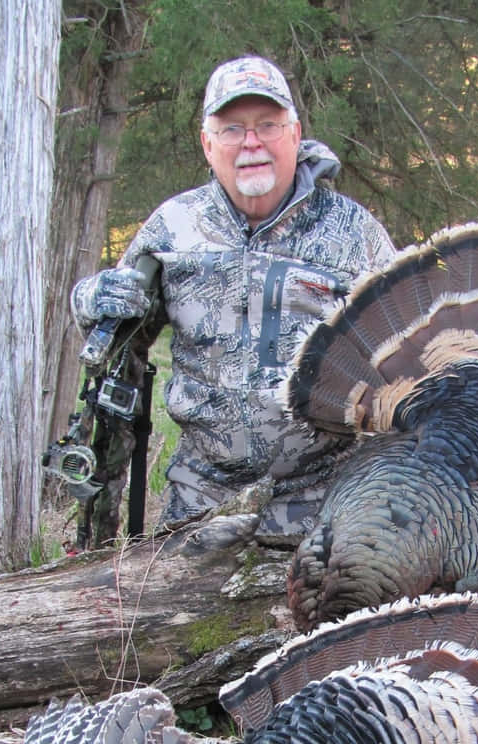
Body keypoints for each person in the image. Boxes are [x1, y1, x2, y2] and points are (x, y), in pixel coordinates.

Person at [71, 55, 396, 546]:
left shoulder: (353, 232)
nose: (251, 143)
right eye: (231, 129)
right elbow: (117, 340)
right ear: (207, 142)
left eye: (267, 125)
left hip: (325, 499)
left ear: (294, 133)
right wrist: (88, 299)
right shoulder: (173, 227)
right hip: (201, 496)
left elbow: (402, 356)